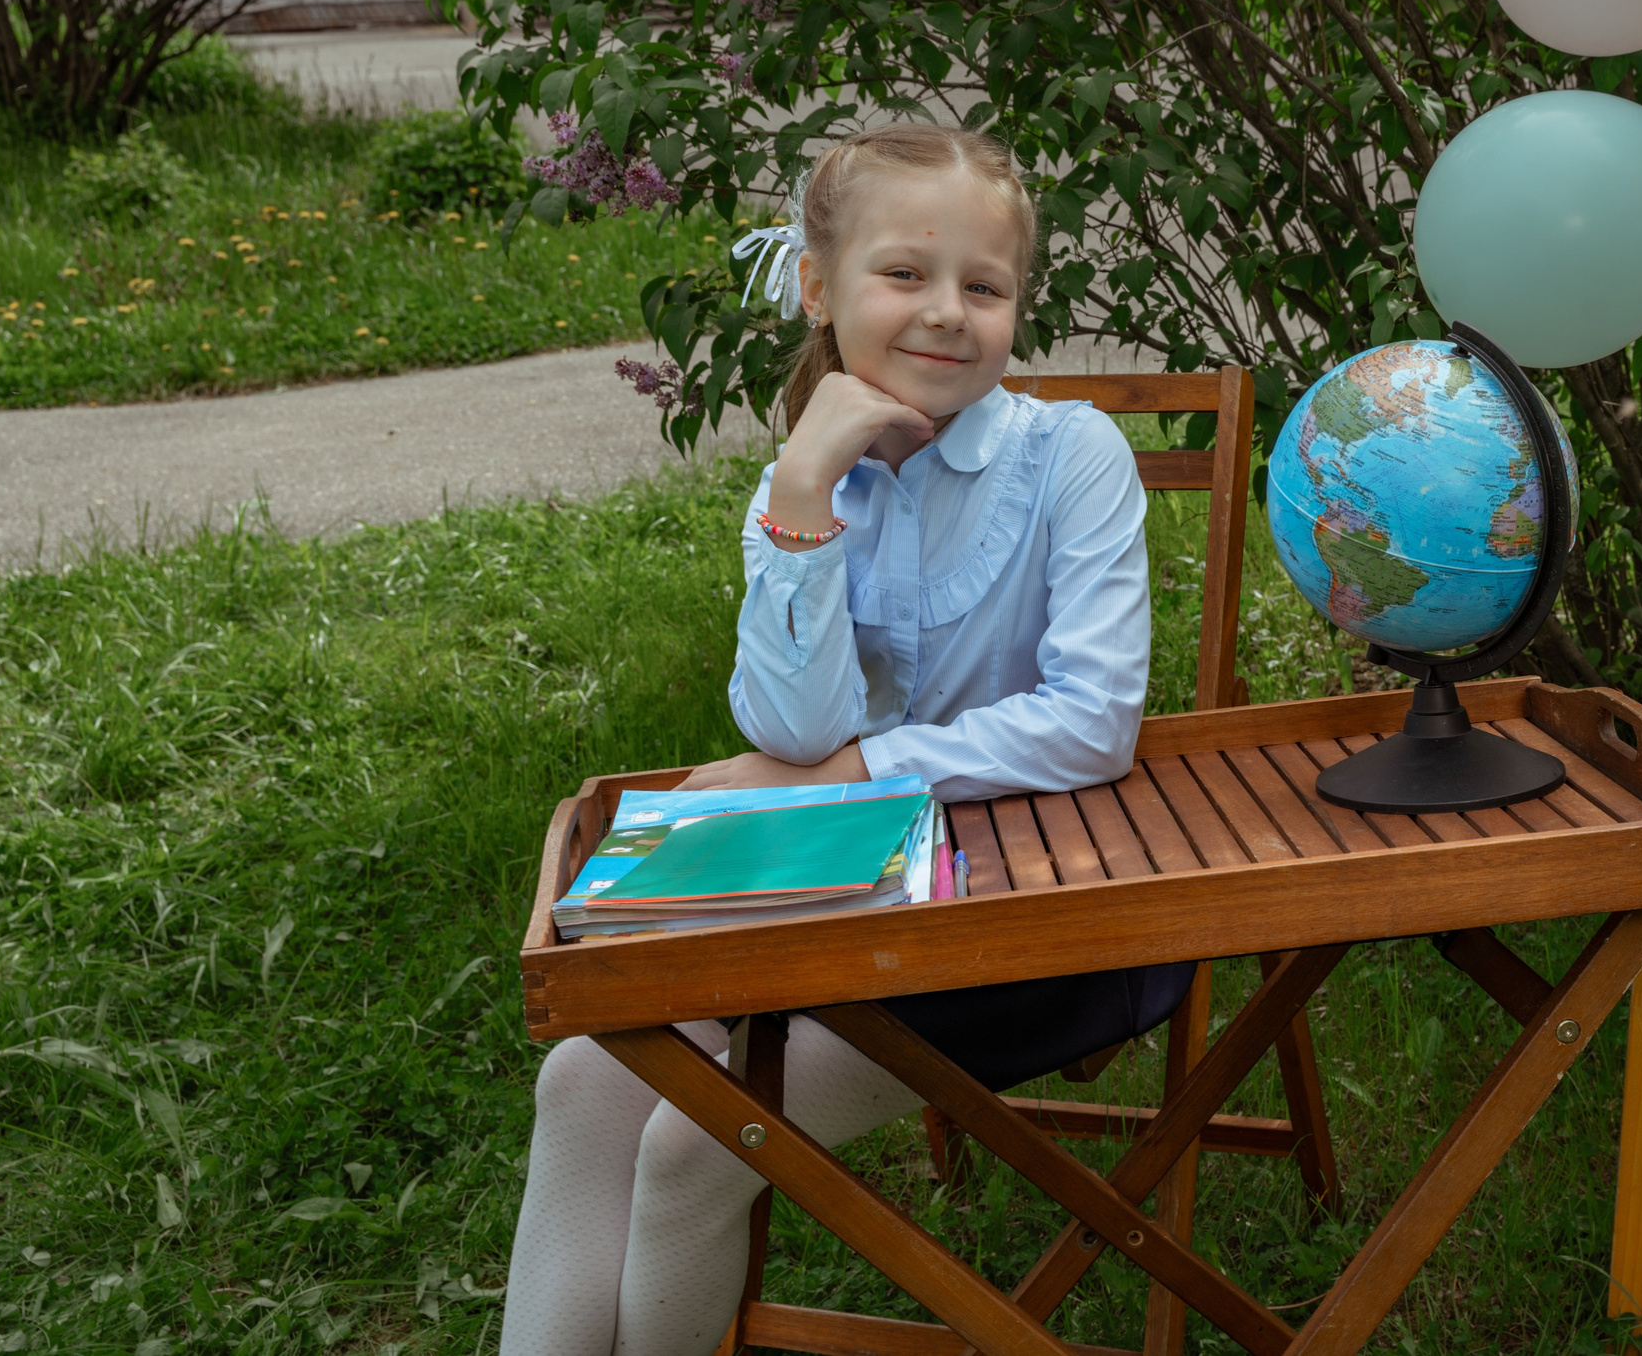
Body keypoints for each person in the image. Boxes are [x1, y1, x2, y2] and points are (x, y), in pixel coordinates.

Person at [500, 123, 1191, 1356]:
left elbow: (1093, 722)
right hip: (837, 897)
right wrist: (807, 489)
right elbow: (792, 723)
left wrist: (857, 768)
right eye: (904, 275)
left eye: (984, 287)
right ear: (821, 289)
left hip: (1042, 922)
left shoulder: (1068, 456)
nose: (945, 314)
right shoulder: (809, 482)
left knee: (691, 1141)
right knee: (584, 1083)